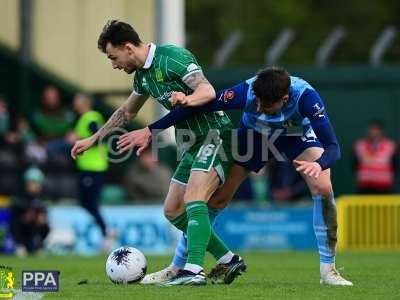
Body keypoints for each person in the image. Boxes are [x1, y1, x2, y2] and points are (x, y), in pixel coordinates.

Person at [127, 67, 353, 286]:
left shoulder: (307, 98)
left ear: (284, 99)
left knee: (323, 188)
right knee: (216, 200)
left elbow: (333, 147)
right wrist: (152, 129)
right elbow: (200, 106)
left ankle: (328, 270)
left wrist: (319, 164)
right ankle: (178, 267)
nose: (259, 107)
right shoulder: (247, 91)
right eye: (256, 102)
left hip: (294, 136)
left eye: (265, 106)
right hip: (254, 137)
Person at [70, 20, 245, 286]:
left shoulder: (173, 58)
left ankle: (193, 270)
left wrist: (186, 99)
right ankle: (227, 259)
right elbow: (126, 112)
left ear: (128, 47)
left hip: (215, 135)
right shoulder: (142, 76)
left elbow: (207, 91)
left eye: (113, 57)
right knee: (173, 210)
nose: (114, 64)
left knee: (194, 197)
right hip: (191, 145)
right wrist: (94, 138)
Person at [66, 93, 113, 251]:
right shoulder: (83, 118)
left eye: (77, 101)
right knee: (85, 202)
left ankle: (107, 230)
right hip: (87, 167)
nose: (74, 104)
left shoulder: (91, 117)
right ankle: (106, 230)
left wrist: (79, 138)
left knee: (89, 202)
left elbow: (98, 137)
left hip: (94, 167)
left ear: (85, 103)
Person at [10, 167, 50, 256]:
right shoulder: (18, 198)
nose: (36, 186)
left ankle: (39, 246)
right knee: (17, 223)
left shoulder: (42, 198)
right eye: (33, 183)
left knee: (44, 223)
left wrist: (41, 219)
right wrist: (25, 218)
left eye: (38, 183)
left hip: (35, 230)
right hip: (22, 232)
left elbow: (44, 217)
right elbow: (14, 220)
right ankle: (20, 246)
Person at [353, 120, 397, 194]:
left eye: (377, 130)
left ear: (381, 131)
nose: (374, 132)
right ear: (368, 131)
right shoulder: (359, 145)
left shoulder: (390, 146)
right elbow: (355, 165)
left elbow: (395, 165)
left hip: (385, 188)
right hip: (364, 188)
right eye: (372, 129)